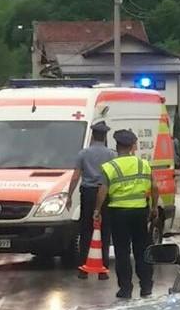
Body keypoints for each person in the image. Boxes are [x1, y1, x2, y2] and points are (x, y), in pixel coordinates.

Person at [94, 129, 158, 299]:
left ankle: (125, 289)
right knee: (142, 249)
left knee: (122, 251)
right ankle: (146, 286)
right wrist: (153, 207)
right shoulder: (143, 164)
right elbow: (155, 187)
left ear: (117, 146)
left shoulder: (110, 167)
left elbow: (103, 190)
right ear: (132, 147)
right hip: (140, 212)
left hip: (118, 213)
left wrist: (97, 210)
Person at [67, 121, 115, 279]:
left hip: (87, 194)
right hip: (106, 193)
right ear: (105, 136)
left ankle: (83, 269)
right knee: (105, 231)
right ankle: (103, 270)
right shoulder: (111, 155)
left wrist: (68, 195)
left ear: (93, 135)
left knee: (86, 230)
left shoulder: (83, 153)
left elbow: (75, 177)